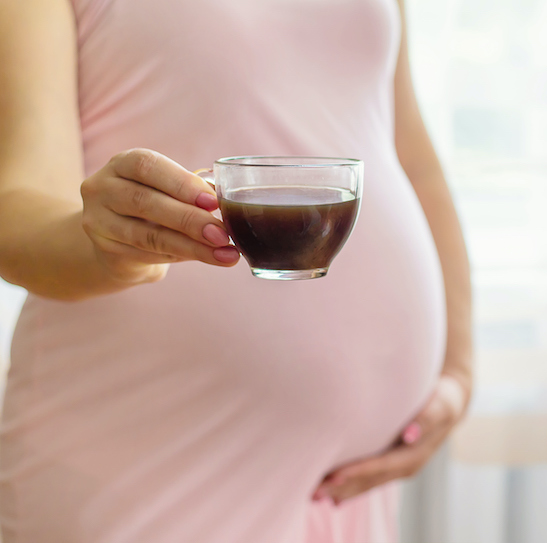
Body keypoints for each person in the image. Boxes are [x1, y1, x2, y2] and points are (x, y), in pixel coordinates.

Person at [0, 0, 473, 541]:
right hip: (145, 465)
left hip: (346, 497)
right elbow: (14, 210)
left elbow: (411, 159)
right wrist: (112, 246)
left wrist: (457, 368)